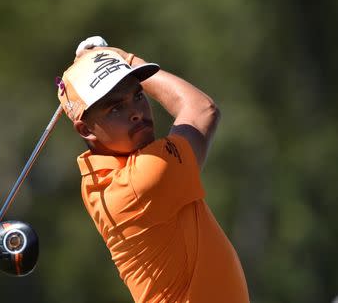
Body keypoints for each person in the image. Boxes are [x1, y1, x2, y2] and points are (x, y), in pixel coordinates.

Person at [56, 36, 250, 303]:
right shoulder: (144, 179)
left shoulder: (97, 178)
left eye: (138, 95)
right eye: (116, 108)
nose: (136, 112)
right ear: (86, 129)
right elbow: (203, 110)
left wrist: (113, 63)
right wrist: (123, 57)